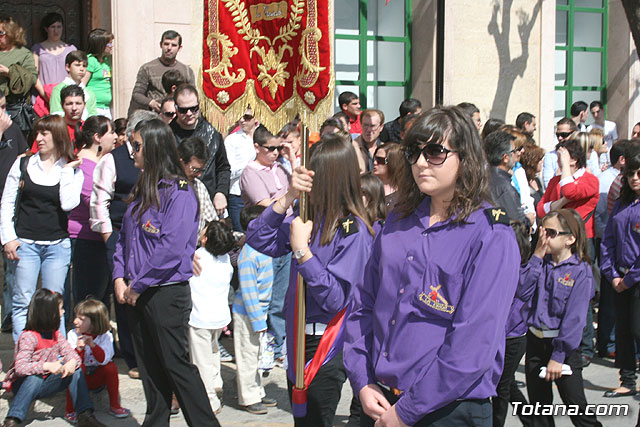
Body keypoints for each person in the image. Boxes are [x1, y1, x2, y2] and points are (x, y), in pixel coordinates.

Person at [344, 106, 520, 426]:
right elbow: (363, 304)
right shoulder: (397, 218)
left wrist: (407, 411)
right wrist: (362, 380)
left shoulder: (492, 234)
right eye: (414, 152)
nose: (421, 162)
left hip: (448, 409)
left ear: (465, 157)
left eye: (436, 152)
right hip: (381, 399)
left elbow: (473, 344)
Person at [246, 132, 374, 426]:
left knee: (316, 419)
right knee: (301, 420)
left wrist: (302, 252)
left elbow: (334, 298)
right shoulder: (304, 217)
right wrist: (289, 196)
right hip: (297, 338)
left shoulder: (352, 230)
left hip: (326, 343)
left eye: (314, 173)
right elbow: (256, 237)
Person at [112, 118, 220, 426]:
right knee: (150, 370)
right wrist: (120, 276)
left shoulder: (179, 191)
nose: (132, 152)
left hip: (164, 292)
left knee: (177, 367)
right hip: (136, 291)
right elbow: (125, 238)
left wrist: (138, 284)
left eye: (137, 146)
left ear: (154, 148)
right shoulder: (142, 186)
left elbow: (171, 249)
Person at [0, 115, 83, 341]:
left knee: (55, 303)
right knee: (22, 302)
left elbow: (68, 204)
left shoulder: (72, 169)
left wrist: (67, 171)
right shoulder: (23, 163)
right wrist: (8, 238)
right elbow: (7, 202)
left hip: (57, 245)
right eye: (37, 133)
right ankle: (22, 358)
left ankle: (58, 355)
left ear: (57, 136)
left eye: (44, 133)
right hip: (25, 243)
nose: (39, 138)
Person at [90, 110, 156, 380]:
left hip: (148, 236)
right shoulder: (112, 160)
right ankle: (132, 356)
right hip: (119, 234)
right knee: (124, 297)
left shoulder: (152, 158)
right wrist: (109, 237)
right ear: (132, 135)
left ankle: (149, 352)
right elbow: (99, 202)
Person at [522, 209, 601, 427]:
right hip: (536, 343)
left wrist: (558, 356)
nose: (544, 237)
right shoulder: (540, 262)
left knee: (579, 412)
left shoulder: (580, 271)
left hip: (563, 349)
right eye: (541, 231)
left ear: (570, 239)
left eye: (551, 232)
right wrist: (536, 257)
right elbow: (521, 289)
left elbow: (574, 320)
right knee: (539, 412)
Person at [2, 289, 105, 427]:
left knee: (76, 371)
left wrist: (72, 362)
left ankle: (85, 415)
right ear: (48, 313)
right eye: (60, 308)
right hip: (24, 385)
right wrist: (46, 366)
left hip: (46, 384)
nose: (63, 312)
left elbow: (72, 354)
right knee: (35, 377)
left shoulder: (56, 335)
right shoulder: (29, 336)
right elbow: (20, 367)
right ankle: (13, 419)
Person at [240, 124, 292, 367]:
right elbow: (266, 206)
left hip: (286, 239)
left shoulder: (281, 167)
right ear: (257, 147)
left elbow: (296, 194)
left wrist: (290, 158)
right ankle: (269, 347)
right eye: (270, 149)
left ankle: (279, 346)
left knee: (281, 298)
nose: (275, 153)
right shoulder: (250, 173)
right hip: (266, 244)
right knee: (268, 300)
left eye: (278, 148)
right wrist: (287, 199)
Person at [600, 141, 640, 399]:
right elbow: (608, 241)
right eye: (630, 174)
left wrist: (629, 279)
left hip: (635, 279)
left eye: (639, 173)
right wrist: (612, 274)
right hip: (619, 276)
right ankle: (627, 379)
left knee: (637, 329)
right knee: (623, 330)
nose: (634, 178)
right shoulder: (622, 204)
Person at [233, 205, 277, 414]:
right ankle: (248, 397)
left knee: (256, 355)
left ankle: (257, 391)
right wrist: (259, 321)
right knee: (247, 356)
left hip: (258, 313)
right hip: (248, 315)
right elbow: (249, 293)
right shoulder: (249, 256)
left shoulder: (262, 250)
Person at [68, 115, 116, 307]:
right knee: (90, 302)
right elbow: (94, 202)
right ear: (97, 137)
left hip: (99, 240)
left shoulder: (100, 163)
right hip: (87, 241)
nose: (114, 137)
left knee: (102, 299)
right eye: (111, 132)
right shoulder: (83, 166)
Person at [188, 220, 235, 415]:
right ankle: (217, 383)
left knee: (202, 360)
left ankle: (210, 400)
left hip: (200, 318)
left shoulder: (197, 257)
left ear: (205, 239)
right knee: (214, 352)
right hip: (219, 317)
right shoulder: (226, 261)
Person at [493, 221, 532, 427]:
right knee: (507, 384)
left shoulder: (525, 272)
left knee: (502, 387)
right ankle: (532, 421)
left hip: (514, 338)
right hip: (497, 336)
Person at [170, 83, 230, 217]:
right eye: (183, 110)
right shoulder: (167, 135)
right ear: (176, 108)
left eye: (194, 108)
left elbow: (223, 167)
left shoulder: (213, 132)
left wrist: (221, 192)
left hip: (208, 202)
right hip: (177, 202)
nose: (189, 113)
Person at [65, 299, 130, 421]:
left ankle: (115, 405)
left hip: (97, 378)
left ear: (94, 323)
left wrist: (93, 346)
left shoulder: (106, 336)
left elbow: (104, 359)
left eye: (81, 319)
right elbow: (72, 361)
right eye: (76, 317)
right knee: (76, 369)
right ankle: (70, 409)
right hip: (79, 380)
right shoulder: (72, 335)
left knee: (110, 367)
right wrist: (79, 349)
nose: (75, 321)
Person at [594, 140, 627, 364]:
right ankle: (611, 344)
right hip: (613, 248)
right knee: (612, 304)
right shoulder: (614, 183)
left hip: (611, 246)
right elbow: (605, 218)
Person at [0, 91, 28, 333]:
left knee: (11, 266)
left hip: (8, 208)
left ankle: (9, 314)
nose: (4, 114)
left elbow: (22, 158)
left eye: (4, 107)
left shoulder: (13, 130)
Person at [127, 30, 195, 116]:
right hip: (154, 117)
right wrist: (151, 102)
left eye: (173, 45)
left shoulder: (187, 71)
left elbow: (192, 95)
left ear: (179, 48)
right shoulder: (147, 68)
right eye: (166, 44)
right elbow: (137, 94)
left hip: (179, 117)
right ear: (160, 45)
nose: (169, 48)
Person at [31, 12, 77, 114]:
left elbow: (76, 74)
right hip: (43, 98)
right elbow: (34, 74)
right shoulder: (37, 49)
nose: (56, 30)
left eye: (59, 27)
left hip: (66, 98)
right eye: (53, 27)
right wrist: (45, 94)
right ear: (46, 29)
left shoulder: (71, 49)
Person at [0, 16, 37, 134]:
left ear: (11, 33)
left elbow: (32, 78)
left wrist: (9, 72)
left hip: (14, 108)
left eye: (1, 33)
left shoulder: (23, 54)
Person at [485, 130, 530, 227]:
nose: (517, 154)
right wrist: (528, 220)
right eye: (514, 151)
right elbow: (518, 224)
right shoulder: (504, 187)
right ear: (505, 157)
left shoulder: (480, 178)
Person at [224, 107, 257, 231]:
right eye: (240, 116)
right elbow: (229, 172)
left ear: (256, 118)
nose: (242, 120)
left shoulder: (263, 135)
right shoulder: (231, 140)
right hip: (238, 196)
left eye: (247, 117)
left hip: (260, 194)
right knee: (240, 235)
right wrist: (250, 165)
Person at [177, 136, 218, 234]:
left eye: (201, 171)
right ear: (181, 162)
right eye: (195, 170)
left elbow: (212, 222)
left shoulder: (199, 186)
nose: (199, 175)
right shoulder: (165, 185)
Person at [49, 51, 97, 120]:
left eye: (84, 66)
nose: (81, 69)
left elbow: (93, 116)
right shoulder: (58, 90)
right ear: (68, 67)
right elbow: (56, 115)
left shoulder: (89, 93)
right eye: (77, 65)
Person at [82, 29, 113, 118]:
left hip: (105, 108)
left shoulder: (106, 61)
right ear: (101, 45)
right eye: (109, 44)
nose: (111, 46)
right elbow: (82, 84)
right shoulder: (91, 61)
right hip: (94, 107)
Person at [542, 117, 578, 187]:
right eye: (558, 135)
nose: (560, 138)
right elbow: (547, 185)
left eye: (564, 135)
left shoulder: (582, 153)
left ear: (574, 133)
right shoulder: (550, 156)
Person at [371, 143, 404, 211]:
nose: (375, 162)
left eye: (380, 160)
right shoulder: (366, 184)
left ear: (393, 162)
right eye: (375, 158)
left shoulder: (404, 193)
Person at [353, 109, 385, 174]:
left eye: (373, 126)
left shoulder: (385, 150)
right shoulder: (352, 148)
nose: (368, 130)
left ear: (381, 127)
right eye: (365, 125)